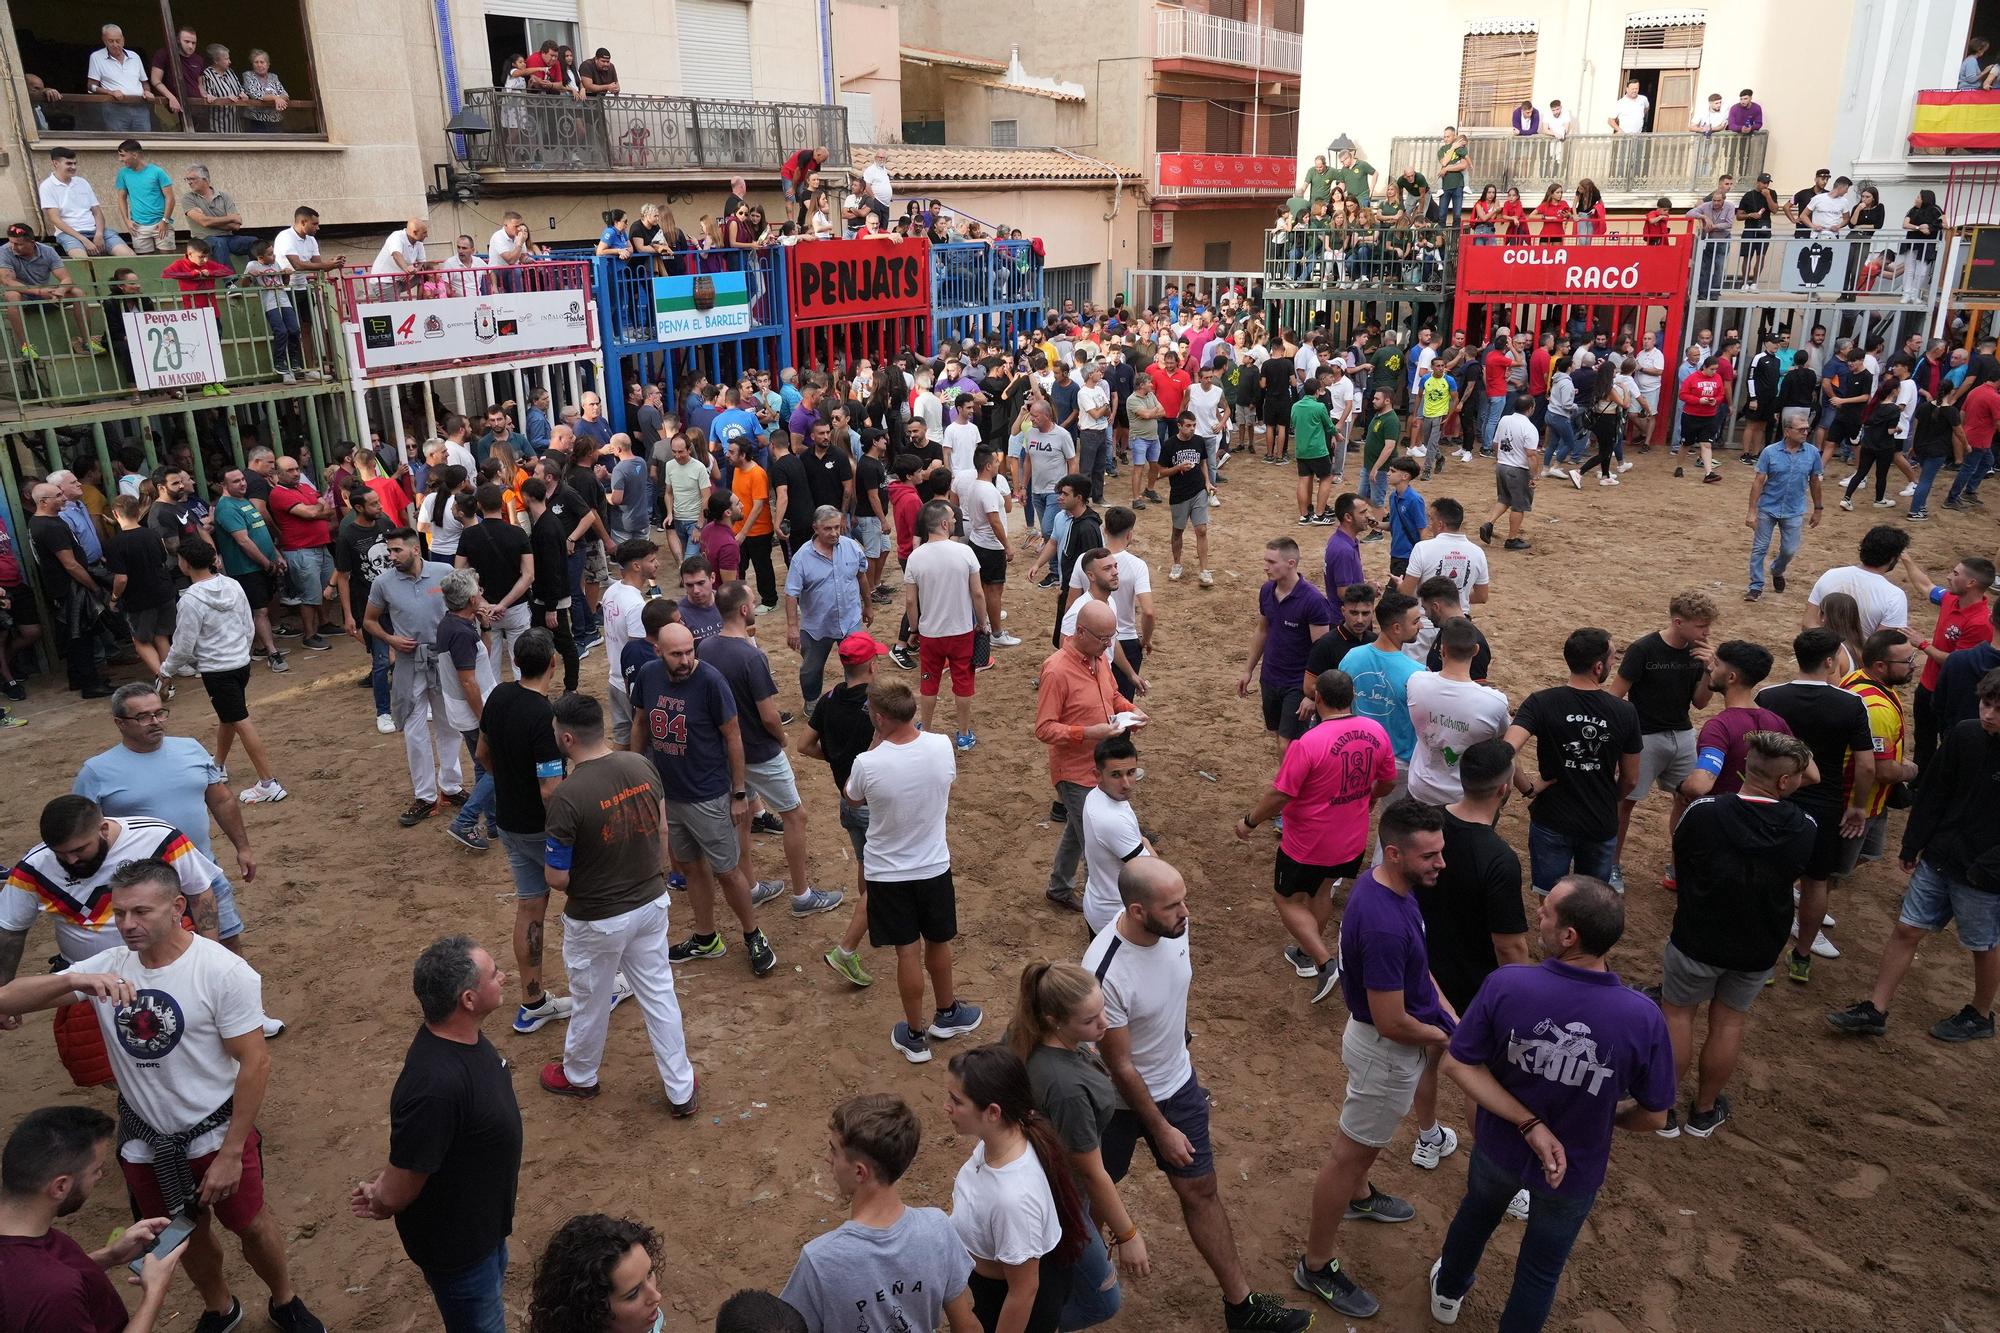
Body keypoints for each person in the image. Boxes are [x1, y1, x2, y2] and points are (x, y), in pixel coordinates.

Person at [0, 859, 328, 1333]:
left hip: (214, 1134)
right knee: (179, 1234)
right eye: (119, 913)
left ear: (177, 908)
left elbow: (255, 1063)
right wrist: (74, 979)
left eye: (141, 912)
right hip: (146, 1140)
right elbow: (7, 999)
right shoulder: (108, 967)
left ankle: (284, 1299)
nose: (128, 925)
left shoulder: (222, 971)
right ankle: (221, 1308)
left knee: (252, 1225)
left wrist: (232, 1153)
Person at [1428, 876, 1675, 1329]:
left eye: (1546, 912)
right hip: (1575, 1167)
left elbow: (1458, 1066)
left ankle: (1447, 1292)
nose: (1537, 916)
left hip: (1499, 1149)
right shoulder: (1642, 1017)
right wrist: (1608, 1116)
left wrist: (1525, 1123)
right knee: (1541, 1271)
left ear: (1569, 936)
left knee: (1476, 1216)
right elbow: (1655, 1115)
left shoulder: (1508, 985)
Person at [1084, 857, 1314, 1333]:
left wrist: (1179, 1045)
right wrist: (1162, 1128)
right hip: (1117, 1106)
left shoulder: (1173, 927)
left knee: (1201, 1190)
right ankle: (1078, 1299)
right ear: (1137, 910)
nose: (1186, 912)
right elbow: (1119, 1065)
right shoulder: (1105, 974)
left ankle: (1242, 1308)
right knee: (1093, 1200)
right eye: (1172, 906)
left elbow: (1172, 992)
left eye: (1183, 900)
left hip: (1178, 1084)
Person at [1294, 800, 1450, 1319]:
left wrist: (1449, 1018)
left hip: (1381, 1048)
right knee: (1349, 1154)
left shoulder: (1388, 883)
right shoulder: (1384, 923)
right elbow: (1393, 1021)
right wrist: (1445, 1038)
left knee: (1361, 1148)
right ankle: (1315, 1265)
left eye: (1440, 851)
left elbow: (1419, 976)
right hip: (1386, 1053)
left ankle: (1360, 1196)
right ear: (1394, 852)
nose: (1440, 864)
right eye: (1429, 855)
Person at [350, 936, 523, 1333]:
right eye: (494, 974)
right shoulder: (434, 1087)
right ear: (467, 999)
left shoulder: (464, 1039)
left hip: (483, 1230)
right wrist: (382, 1195)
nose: (504, 976)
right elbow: (398, 1188)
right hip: (461, 1251)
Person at [536, 693, 698, 1112]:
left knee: (591, 999)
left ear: (567, 738)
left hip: (597, 917)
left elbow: (556, 878)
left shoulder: (567, 797)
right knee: (660, 994)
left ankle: (579, 1075)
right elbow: (662, 830)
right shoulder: (641, 765)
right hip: (650, 902)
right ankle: (680, 1089)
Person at [1659, 731, 1818, 1140]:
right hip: (1758, 943)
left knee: (1677, 1014)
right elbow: (1799, 875)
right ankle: (1705, 1110)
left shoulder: (1704, 811)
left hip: (1698, 935)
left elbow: (1682, 857)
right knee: (1728, 1023)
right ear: (1785, 781)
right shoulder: (1804, 827)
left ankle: (1663, 1111)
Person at [1828, 666, 2000, 1044]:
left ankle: (1981, 1014)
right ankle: (1876, 1007)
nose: (1988, 714)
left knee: (1982, 943)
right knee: (1907, 928)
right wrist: (1912, 843)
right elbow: (1935, 793)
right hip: (1941, 857)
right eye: (1987, 703)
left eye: (1998, 709)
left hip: (1984, 874)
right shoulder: (1965, 736)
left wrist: (1987, 868)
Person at [1235, 668, 1396, 1003]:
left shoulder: (1309, 742)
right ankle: (1307, 954)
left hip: (1308, 841)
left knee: (1286, 899)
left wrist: (1250, 821)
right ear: (1352, 697)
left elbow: (1281, 794)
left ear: (1318, 698)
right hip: (1350, 838)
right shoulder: (1375, 731)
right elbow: (1388, 781)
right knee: (1322, 892)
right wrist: (1370, 797)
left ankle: (1324, 962)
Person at [845, 679, 983, 1063]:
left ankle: (916, 1034)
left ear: (879, 717)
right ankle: (948, 1012)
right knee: (939, 941)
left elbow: (852, 798)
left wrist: (876, 743)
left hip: (888, 873)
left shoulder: (867, 763)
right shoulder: (941, 745)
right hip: (933, 865)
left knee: (907, 952)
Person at [629, 622, 778, 974]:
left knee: (728, 871)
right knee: (692, 867)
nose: (685, 660)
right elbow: (640, 724)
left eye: (689, 652)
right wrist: (637, 772)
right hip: (672, 794)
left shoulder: (711, 681)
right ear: (658, 652)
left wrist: (740, 792)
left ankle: (753, 933)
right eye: (676, 654)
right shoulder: (649, 676)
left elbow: (733, 737)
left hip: (709, 795)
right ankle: (706, 936)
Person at [701, 581, 843, 917]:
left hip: (728, 753)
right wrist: (781, 738)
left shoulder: (705, 647)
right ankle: (802, 894)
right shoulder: (751, 657)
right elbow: (768, 715)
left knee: (744, 818)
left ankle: (750, 887)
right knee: (795, 816)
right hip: (761, 752)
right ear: (745, 610)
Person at [779, 1094, 976, 1331]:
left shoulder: (821, 1260)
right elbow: (966, 1326)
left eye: (834, 1151)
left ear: (860, 1173)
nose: (827, 1158)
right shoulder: (937, 1228)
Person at [943, 1043, 1094, 1333]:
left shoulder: (1012, 1199)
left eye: (956, 1100)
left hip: (1007, 1304)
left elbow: (1023, 1292)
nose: (947, 1107)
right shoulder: (1001, 1140)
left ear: (993, 1112)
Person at [0, 1104, 189, 1332]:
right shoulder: (54, 1293)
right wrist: (154, 1293)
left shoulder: (25, 1236)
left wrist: (107, 1256)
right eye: (96, 1170)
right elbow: (42, 1288)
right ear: (61, 1186)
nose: (100, 1176)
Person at [1756, 628, 1876, 984]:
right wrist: (1858, 807)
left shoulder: (1769, 697)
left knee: (1769, 878)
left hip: (1776, 797)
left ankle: (1765, 957)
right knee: (1816, 881)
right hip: (1825, 804)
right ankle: (1803, 956)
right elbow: (1867, 766)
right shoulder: (1851, 703)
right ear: (1829, 661)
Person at [1505, 628, 1644, 893]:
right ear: (1598, 666)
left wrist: (1528, 788)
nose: (1614, 664)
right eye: (1613, 658)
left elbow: (1506, 750)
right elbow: (1631, 778)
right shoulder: (1625, 712)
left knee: (1550, 898)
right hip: (1599, 820)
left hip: (1552, 817)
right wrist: (1609, 796)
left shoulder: (1541, 702)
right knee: (1590, 902)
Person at [159, 534, 288, 805]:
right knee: (228, 715)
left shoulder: (190, 600)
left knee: (239, 718)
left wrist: (166, 670)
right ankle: (217, 764)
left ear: (184, 563)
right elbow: (247, 624)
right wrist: (243, 651)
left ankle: (268, 782)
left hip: (217, 669)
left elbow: (183, 645)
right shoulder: (232, 585)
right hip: (239, 663)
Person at [1606, 590, 1717, 892]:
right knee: (1624, 803)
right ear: (1679, 622)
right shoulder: (1644, 649)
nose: (1706, 633)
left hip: (1682, 735)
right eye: (1701, 626)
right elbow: (1615, 695)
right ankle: (1611, 866)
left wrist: (1710, 671)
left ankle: (1677, 868)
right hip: (1643, 738)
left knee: (1688, 800)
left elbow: (1700, 703)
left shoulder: (1699, 655)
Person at [1038, 601, 1144, 912]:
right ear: (1081, 632)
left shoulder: (1098, 658)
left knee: (1078, 826)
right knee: (1095, 844)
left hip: (1098, 767)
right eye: (1104, 638)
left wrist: (1130, 710)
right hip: (1073, 772)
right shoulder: (1056, 670)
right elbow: (1044, 729)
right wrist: (1088, 732)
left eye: (1112, 636)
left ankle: (1059, 887)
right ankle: (1108, 906)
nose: (1110, 644)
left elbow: (1112, 695)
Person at [365, 530, 469, 826]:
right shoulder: (383, 583)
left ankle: (450, 787)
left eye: (397, 550)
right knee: (413, 728)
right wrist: (390, 639)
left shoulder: (444, 572)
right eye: (390, 551)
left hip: (443, 658)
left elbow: (465, 605)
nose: (391, 556)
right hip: (410, 662)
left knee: (450, 725)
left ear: (415, 549)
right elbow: (369, 621)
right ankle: (425, 796)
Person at [1901, 552, 1997, 769]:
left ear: (1971, 582)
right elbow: (1925, 586)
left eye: (1955, 573)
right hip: (1928, 684)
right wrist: (1907, 560)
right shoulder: (1950, 599)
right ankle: (1920, 782)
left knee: (1951, 741)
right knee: (1923, 738)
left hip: (1952, 692)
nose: (1948, 577)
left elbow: (1956, 661)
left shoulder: (1980, 622)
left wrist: (1922, 644)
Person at [1238, 537, 1330, 758]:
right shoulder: (1267, 591)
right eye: (1265, 561)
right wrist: (1248, 670)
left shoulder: (1314, 601)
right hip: (1270, 678)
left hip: (1297, 684)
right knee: (1278, 736)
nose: (1265, 567)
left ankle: (1290, 789)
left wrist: (1312, 693)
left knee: (1287, 744)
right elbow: (1263, 630)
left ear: (1291, 563)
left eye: (1271, 562)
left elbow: (1322, 652)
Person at [785, 506, 872, 708]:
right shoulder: (802, 558)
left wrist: (868, 605)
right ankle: (812, 701)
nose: (834, 533)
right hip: (817, 625)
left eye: (837, 527)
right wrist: (792, 626)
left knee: (858, 663)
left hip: (850, 619)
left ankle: (857, 699)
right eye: (827, 529)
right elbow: (791, 593)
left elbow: (861, 577)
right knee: (811, 669)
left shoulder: (852, 547)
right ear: (815, 528)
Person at [524, 1215, 664, 1333]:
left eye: (649, 1273)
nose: (657, 1296)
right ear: (593, 1309)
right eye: (633, 1294)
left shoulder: (649, 1319)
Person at [1745, 407, 1824, 601]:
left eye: (1807, 429)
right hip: (1768, 507)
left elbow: (1815, 481)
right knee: (1759, 548)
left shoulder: (1813, 453)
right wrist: (1752, 511)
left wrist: (1818, 508)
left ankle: (1777, 569)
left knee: (1789, 550)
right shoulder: (1770, 452)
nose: (1806, 432)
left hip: (1794, 509)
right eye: (1801, 429)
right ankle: (1756, 586)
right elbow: (1758, 481)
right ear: (1787, 431)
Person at [1806, 525, 1910, 637]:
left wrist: (1830, 647)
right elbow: (1878, 647)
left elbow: (1808, 624)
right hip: (1859, 654)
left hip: (1822, 650)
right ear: (1892, 559)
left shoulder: (1831, 575)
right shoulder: (1894, 596)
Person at [1162, 414, 1213, 586]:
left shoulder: (1199, 441)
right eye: (1188, 425)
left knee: (1202, 530)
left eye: (1194, 425)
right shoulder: (1169, 445)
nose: (1192, 428)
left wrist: (1207, 482)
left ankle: (1204, 570)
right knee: (1178, 531)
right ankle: (1177, 564)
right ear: (1179, 426)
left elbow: (1203, 463)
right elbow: (1161, 471)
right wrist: (1177, 468)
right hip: (1179, 494)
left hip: (1199, 491)